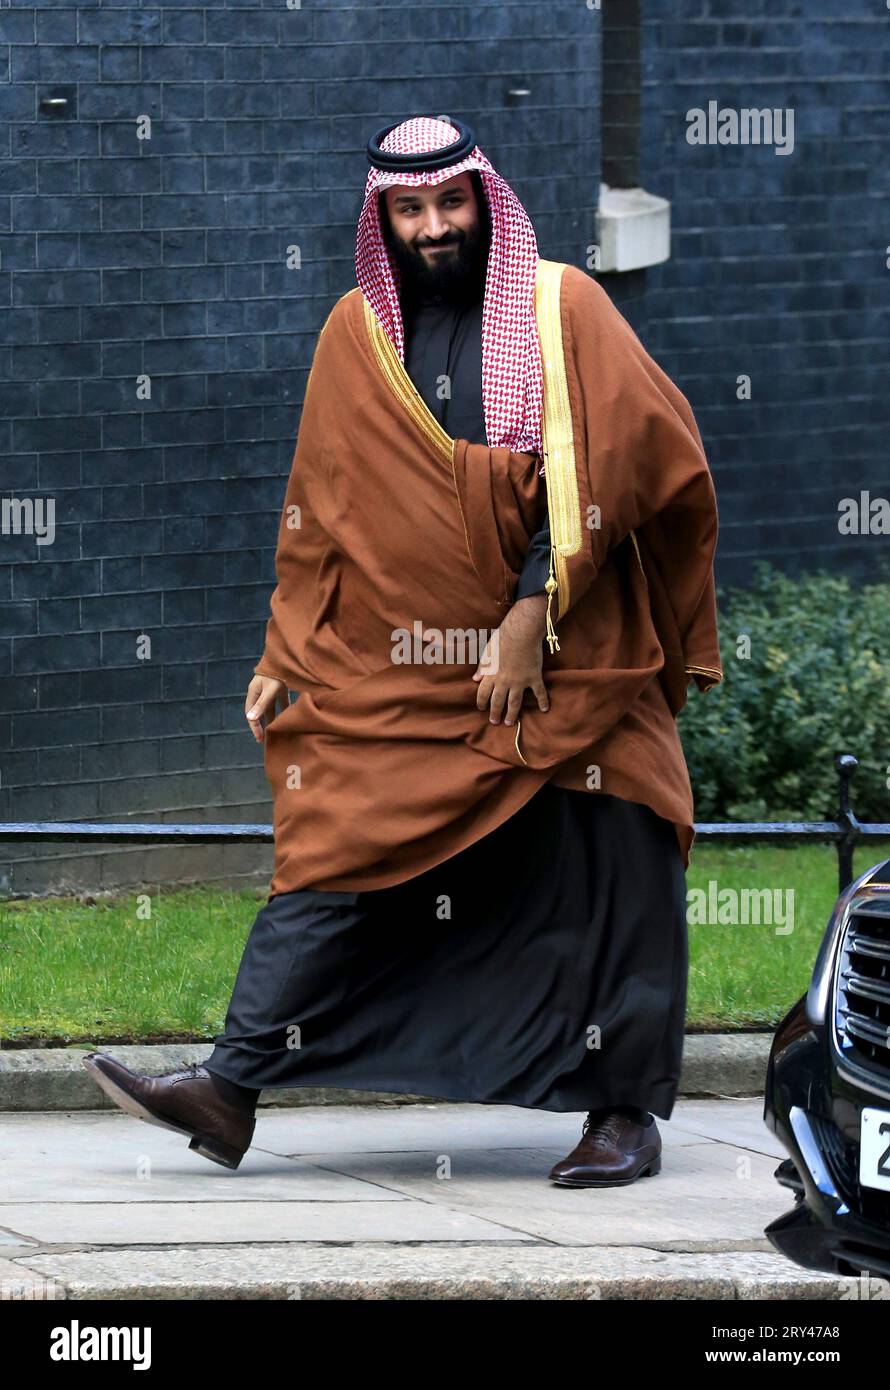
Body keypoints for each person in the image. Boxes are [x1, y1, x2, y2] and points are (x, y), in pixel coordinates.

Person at [83, 115, 723, 1187]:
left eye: (451, 204)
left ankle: (623, 1111)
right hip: (409, 670)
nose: (433, 227)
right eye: (410, 210)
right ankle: (229, 1088)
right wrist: (285, 653)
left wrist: (533, 612)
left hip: (573, 657)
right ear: (383, 217)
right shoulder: (354, 333)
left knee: (624, 830)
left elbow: (635, 459)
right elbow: (319, 514)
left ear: (485, 202)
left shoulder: (561, 305)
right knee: (337, 833)